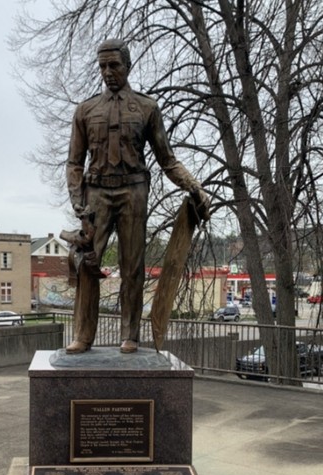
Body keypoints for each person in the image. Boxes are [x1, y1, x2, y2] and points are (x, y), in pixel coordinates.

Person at [65, 38, 208, 354]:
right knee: (87, 262)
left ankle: (130, 334)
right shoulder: (85, 110)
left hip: (133, 190)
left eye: (113, 65)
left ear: (127, 65)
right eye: (102, 66)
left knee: (133, 267)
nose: (107, 72)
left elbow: (167, 160)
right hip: (96, 193)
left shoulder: (146, 108)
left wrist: (194, 187)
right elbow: (74, 163)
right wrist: (78, 201)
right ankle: (83, 335)